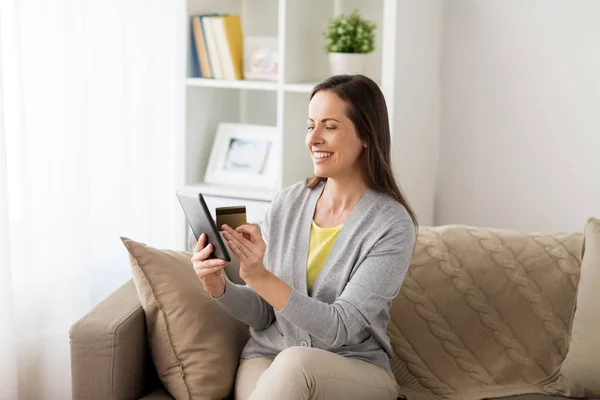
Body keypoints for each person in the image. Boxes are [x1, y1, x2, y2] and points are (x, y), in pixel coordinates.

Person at [191, 74, 418, 400]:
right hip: (269, 358)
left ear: (366, 134)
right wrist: (219, 287)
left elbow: (339, 328)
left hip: (353, 367)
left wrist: (260, 275)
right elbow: (265, 314)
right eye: (310, 125)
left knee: (294, 363)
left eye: (330, 126)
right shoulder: (288, 203)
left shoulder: (391, 225)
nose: (314, 138)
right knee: (285, 366)